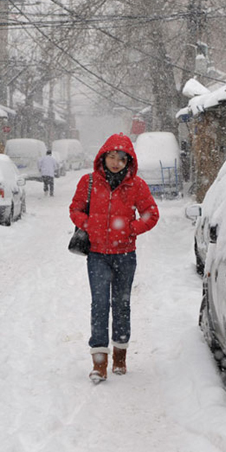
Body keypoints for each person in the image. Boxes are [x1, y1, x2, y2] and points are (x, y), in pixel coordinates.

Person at [69, 133, 159, 383]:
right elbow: (75, 209)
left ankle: (120, 356)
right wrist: (87, 223)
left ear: (128, 161)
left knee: (121, 305)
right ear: (103, 157)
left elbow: (151, 214)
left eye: (121, 158)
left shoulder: (137, 186)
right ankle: (99, 363)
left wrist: (131, 228)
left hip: (125, 255)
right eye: (111, 156)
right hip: (97, 255)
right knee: (99, 306)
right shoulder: (88, 182)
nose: (116, 162)